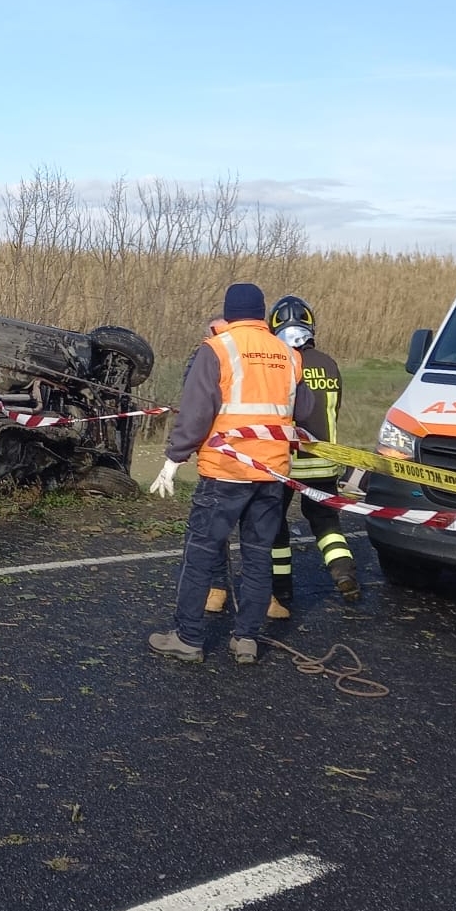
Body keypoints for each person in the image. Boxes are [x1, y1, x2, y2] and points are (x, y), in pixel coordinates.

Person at [147, 283, 313, 665]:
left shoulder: (218, 349)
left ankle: (188, 637)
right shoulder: (288, 355)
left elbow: (196, 411)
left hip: (225, 472)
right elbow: (303, 408)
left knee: (201, 553)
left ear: (229, 312)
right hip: (271, 473)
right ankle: (247, 640)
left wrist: (174, 458)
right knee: (257, 556)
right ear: (261, 314)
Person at [268, 294, 360, 604]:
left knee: (274, 524)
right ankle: (343, 570)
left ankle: (281, 591)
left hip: (288, 462)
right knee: (326, 523)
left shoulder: (282, 364)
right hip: (325, 461)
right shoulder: (330, 364)